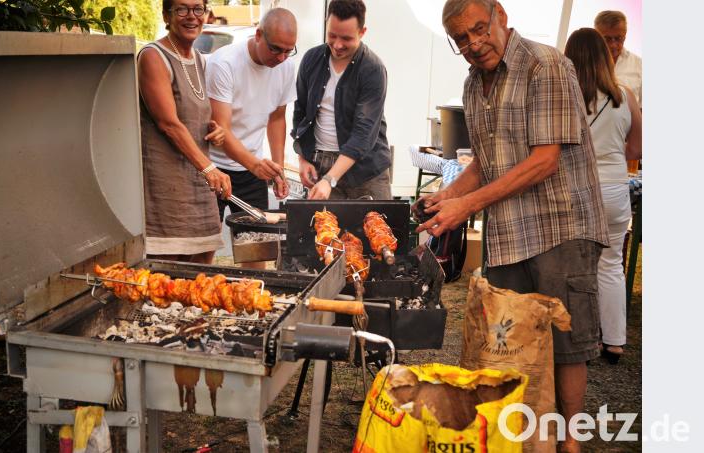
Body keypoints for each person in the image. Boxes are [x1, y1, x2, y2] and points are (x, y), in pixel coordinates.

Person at [416, 1, 609, 451]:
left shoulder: (546, 66)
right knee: (513, 339)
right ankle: (524, 436)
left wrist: (467, 207)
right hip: (511, 235)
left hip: (561, 225)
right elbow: (486, 160)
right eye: (461, 38)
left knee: (567, 340)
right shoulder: (472, 84)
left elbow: (543, 161)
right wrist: (448, 195)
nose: (474, 43)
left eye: (479, 29)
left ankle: (570, 440)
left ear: (500, 16)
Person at [565, 28, 642, 365]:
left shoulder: (565, 96)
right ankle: (614, 341)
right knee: (611, 264)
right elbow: (637, 147)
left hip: (578, 188)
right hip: (614, 188)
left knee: (573, 267)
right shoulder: (625, 95)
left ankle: (578, 339)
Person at [137, 0, 232, 264]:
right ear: (167, 14)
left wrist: (216, 131)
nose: (191, 17)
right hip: (166, 190)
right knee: (166, 284)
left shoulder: (200, 60)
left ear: (206, 13)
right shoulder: (153, 56)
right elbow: (168, 123)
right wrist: (209, 168)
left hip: (200, 186)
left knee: (202, 276)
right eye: (182, 9)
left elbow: (196, 115)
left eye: (197, 9)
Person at [291, 0, 392, 200]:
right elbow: (300, 112)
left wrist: (330, 179)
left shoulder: (372, 69)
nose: (337, 45)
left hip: (366, 172)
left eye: (346, 38)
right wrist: (303, 159)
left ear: (362, 32)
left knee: (377, 228)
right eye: (332, 35)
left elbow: (363, 134)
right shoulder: (311, 59)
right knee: (322, 229)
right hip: (319, 166)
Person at [206, 8, 296, 231]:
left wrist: (278, 170)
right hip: (213, 168)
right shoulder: (224, 63)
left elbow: (277, 118)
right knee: (205, 247)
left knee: (257, 244)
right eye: (275, 49)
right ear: (258, 34)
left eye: (288, 51)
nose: (281, 58)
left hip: (251, 171)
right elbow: (222, 129)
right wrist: (254, 164)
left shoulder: (286, 67)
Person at [594, 10, 641, 107]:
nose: (613, 45)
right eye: (607, 39)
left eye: (618, 38)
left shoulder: (639, 65)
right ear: (596, 36)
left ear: (625, 36)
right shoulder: (584, 63)